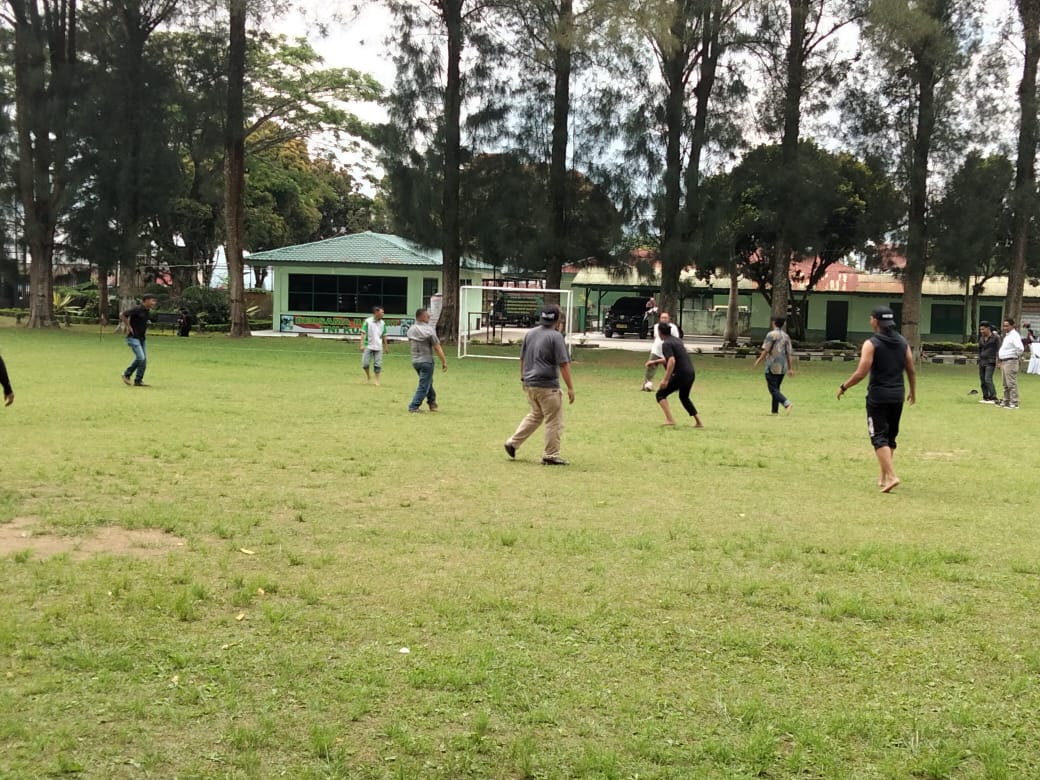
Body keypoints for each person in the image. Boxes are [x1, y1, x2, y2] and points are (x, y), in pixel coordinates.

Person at [836, 305, 916, 493]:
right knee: (890, 437)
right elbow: (910, 369)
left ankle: (892, 476)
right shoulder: (903, 342)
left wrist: (844, 386)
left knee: (878, 437)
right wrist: (913, 391)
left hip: (878, 396)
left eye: (871, 318)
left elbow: (861, 372)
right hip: (897, 395)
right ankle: (883, 477)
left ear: (875, 321)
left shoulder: (871, 343)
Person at [503, 304, 575, 465]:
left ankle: (513, 443)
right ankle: (550, 455)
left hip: (530, 384)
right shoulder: (556, 337)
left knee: (536, 414)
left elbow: (522, 358)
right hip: (547, 386)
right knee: (554, 420)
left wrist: (523, 378)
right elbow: (564, 364)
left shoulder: (530, 333)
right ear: (557, 320)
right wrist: (570, 387)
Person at [653, 320, 703, 427]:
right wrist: (655, 362)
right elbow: (675, 358)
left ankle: (670, 420)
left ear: (660, 332)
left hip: (681, 374)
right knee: (684, 397)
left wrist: (665, 379)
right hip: (690, 372)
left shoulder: (666, 344)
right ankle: (699, 422)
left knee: (660, 394)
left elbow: (671, 361)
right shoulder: (677, 340)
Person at [406, 308, 448, 413]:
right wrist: (444, 361)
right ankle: (414, 406)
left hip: (415, 361)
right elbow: (437, 347)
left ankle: (432, 402)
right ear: (422, 317)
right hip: (426, 361)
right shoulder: (429, 330)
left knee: (428, 381)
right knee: (424, 385)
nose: (429, 317)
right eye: (427, 316)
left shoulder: (411, 329)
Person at [753, 315, 794, 413]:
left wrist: (759, 360)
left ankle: (786, 403)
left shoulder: (771, 335)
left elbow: (766, 350)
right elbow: (789, 354)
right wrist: (790, 368)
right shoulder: (786, 336)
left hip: (772, 365)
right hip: (782, 366)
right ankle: (774, 410)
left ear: (774, 322)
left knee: (772, 389)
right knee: (776, 389)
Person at [119, 293, 158, 387]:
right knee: (141, 358)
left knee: (143, 360)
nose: (154, 303)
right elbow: (122, 315)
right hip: (133, 337)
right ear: (146, 300)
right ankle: (126, 374)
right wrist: (128, 326)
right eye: (152, 300)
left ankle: (138, 380)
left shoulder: (147, 311)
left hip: (141, 338)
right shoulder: (137, 309)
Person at [642, 311, 681, 391]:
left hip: (668, 352)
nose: (664, 319)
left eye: (665, 318)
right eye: (662, 318)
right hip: (656, 351)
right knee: (650, 367)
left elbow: (676, 339)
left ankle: (675, 385)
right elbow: (657, 337)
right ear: (659, 319)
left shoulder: (673, 327)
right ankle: (646, 385)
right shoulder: (656, 326)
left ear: (669, 319)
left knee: (670, 369)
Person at [996, 317, 1024, 409]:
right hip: (1005, 361)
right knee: (1005, 383)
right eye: (1004, 326)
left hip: (1011, 361)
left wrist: (1015, 356)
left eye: (1007, 326)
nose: (1005, 328)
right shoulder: (1008, 336)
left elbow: (1020, 348)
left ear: (1013, 326)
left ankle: (1014, 402)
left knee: (1011, 383)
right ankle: (1006, 400)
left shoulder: (1014, 335)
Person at [360, 306, 388, 385]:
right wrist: (361, 344)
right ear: (376, 312)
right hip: (368, 345)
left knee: (378, 364)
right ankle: (368, 376)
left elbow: (384, 335)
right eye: (382, 312)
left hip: (378, 346)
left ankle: (377, 380)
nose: (383, 314)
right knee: (365, 364)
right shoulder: (367, 321)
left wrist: (386, 346)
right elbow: (362, 333)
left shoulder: (383, 323)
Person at [976, 321, 1000, 403]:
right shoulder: (981, 338)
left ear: (988, 328)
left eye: (983, 329)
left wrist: (998, 361)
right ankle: (985, 397)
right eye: (980, 330)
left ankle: (993, 397)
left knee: (988, 379)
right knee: (982, 380)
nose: (981, 331)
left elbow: (999, 350)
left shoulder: (996, 337)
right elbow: (980, 349)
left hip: (991, 361)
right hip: (982, 361)